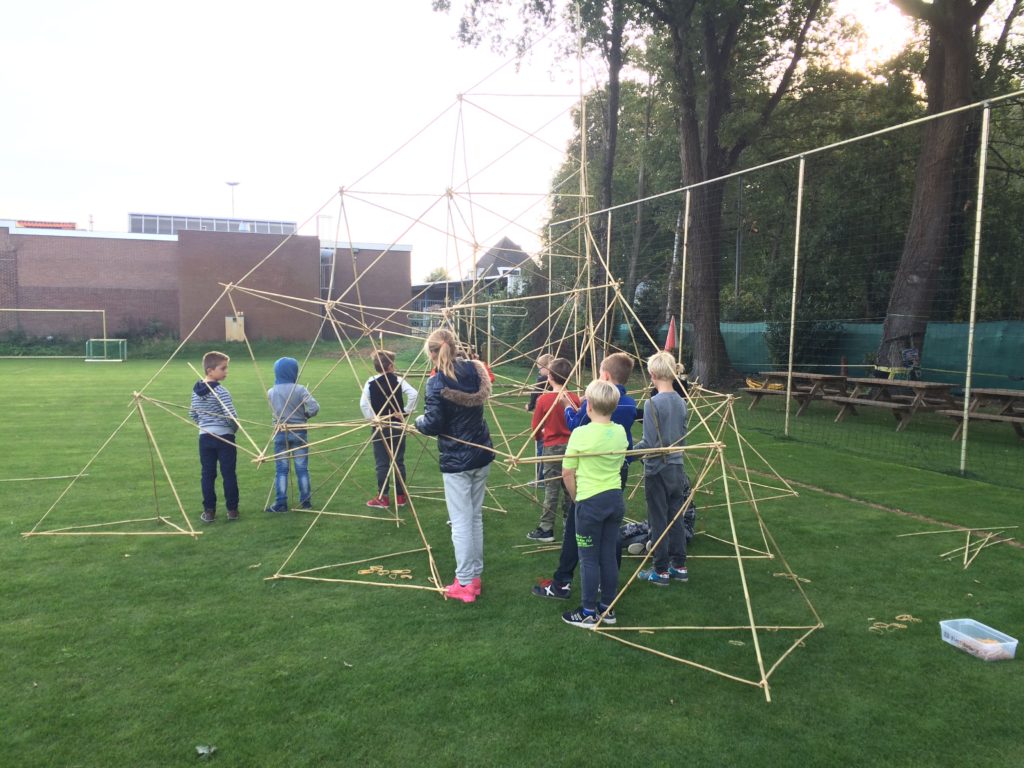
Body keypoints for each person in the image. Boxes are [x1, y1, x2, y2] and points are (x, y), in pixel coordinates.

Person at [531, 353, 636, 601]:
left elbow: (576, 428)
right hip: (615, 475)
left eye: (600, 373)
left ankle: (563, 583)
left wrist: (571, 410)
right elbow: (628, 449)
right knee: (610, 537)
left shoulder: (588, 419)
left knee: (577, 530)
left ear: (606, 376)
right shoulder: (629, 406)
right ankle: (606, 587)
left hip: (589, 478)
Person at [415, 329, 494, 604]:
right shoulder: (474, 370)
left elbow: (433, 423)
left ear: (433, 352)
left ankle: (464, 582)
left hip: (458, 460)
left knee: (461, 521)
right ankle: (473, 577)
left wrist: (418, 422)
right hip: (480, 454)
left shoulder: (437, 383)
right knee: (474, 518)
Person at [559, 379, 627, 627]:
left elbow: (567, 472)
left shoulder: (580, 433)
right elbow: (619, 464)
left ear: (587, 407)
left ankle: (588, 611)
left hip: (590, 502)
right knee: (608, 554)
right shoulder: (620, 431)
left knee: (588, 557)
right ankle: (607, 609)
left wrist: (578, 499)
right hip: (614, 499)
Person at [635, 351, 691, 585]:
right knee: (675, 516)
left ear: (652, 374)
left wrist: (629, 453)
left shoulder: (652, 404)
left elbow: (649, 443)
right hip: (677, 468)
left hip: (657, 469)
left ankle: (661, 570)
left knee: (658, 519)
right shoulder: (681, 401)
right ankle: (679, 565)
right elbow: (683, 435)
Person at [526, 357, 580, 542]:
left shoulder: (544, 399)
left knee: (551, 488)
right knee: (570, 486)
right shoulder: (573, 398)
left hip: (552, 448)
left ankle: (546, 528)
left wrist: (540, 436)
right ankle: (569, 524)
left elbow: (536, 427)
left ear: (550, 377)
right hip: (572, 447)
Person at [360, 349, 418, 509]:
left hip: (381, 427)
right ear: (391, 365)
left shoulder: (371, 382)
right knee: (398, 461)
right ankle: (400, 497)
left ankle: (383, 497)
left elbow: (363, 404)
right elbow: (414, 394)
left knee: (382, 463)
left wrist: (373, 420)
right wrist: (405, 413)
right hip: (397, 426)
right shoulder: (398, 380)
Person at [189, 350, 240, 523]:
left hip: (205, 437)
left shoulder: (196, 391)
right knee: (228, 474)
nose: (226, 372)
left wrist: (204, 425)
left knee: (208, 474)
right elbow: (231, 416)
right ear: (210, 371)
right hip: (224, 437)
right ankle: (232, 510)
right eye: (223, 368)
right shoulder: (221, 391)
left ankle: (209, 511)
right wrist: (234, 429)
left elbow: (193, 414)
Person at [265, 357, 319, 513]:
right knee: (302, 468)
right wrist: (306, 415)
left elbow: (275, 413)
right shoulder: (300, 389)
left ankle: (280, 503)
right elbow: (314, 407)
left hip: (280, 433)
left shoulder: (271, 391)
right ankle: (306, 501)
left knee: (281, 470)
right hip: (299, 432)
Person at [526, 353, 554, 486]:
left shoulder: (543, 379)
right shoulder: (558, 379)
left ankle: (541, 478)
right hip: (553, 416)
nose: (539, 371)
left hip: (544, 417)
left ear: (546, 367)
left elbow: (534, 393)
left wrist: (530, 406)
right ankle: (546, 476)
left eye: (540, 368)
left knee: (541, 448)